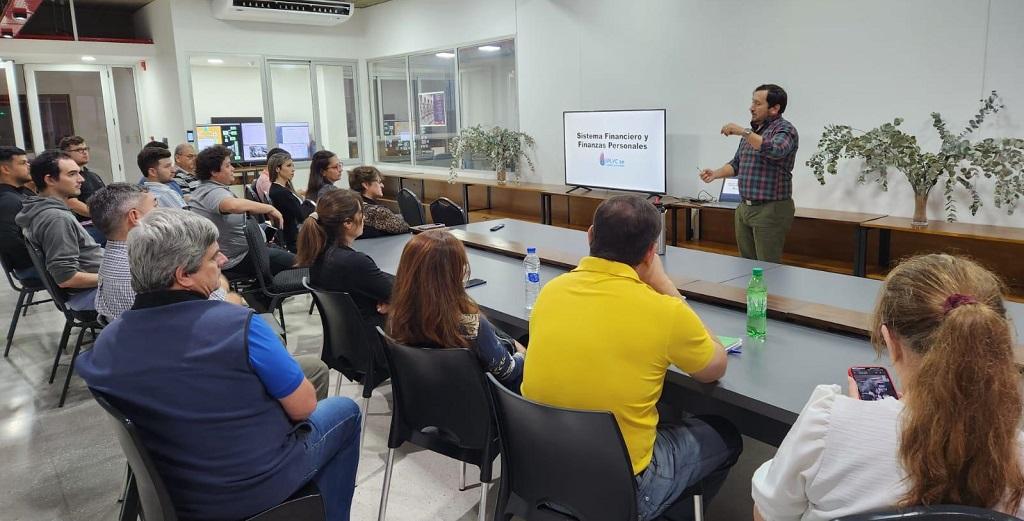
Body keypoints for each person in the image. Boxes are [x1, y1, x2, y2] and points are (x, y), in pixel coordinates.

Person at [76, 208, 360, 521]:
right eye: (213, 258)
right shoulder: (239, 325)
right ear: (183, 275)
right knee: (346, 412)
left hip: (173, 492)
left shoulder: (107, 343)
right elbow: (304, 407)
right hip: (250, 488)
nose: (223, 261)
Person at [751, 254, 1024, 521]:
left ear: (890, 341)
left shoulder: (828, 425)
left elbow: (768, 513)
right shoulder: (1017, 452)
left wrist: (860, 417)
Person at [521, 195, 739, 521]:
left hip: (543, 466)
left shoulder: (551, 291)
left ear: (590, 235)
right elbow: (714, 367)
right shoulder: (664, 312)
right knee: (726, 435)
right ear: (651, 252)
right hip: (623, 487)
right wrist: (665, 285)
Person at [388, 230, 526, 390]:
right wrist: (523, 353)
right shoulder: (472, 327)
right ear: (453, 274)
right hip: (486, 407)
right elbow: (509, 372)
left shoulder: (398, 319)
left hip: (427, 404)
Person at [699, 84, 798, 263]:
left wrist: (742, 132)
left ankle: (770, 292)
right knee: (746, 265)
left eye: (757, 103)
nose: (751, 107)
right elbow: (737, 164)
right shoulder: (753, 134)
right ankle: (751, 292)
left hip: (770, 208)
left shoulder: (785, 130)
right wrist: (715, 173)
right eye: (752, 102)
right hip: (744, 207)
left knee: (767, 267)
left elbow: (775, 149)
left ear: (774, 108)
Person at [15, 151, 104, 311]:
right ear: (49, 179)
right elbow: (66, 278)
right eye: (72, 174)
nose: (81, 179)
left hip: (93, 286)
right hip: (89, 293)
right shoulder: (56, 218)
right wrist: (115, 277)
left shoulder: (42, 209)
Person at [295, 189, 392, 334]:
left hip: (348, 340)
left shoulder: (318, 254)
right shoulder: (354, 262)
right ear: (347, 223)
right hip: (374, 340)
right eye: (361, 213)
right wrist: (393, 303)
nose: (364, 218)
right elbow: (399, 295)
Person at [188, 145, 293, 277]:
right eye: (227, 166)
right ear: (214, 172)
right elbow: (231, 205)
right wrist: (269, 208)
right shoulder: (212, 192)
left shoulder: (210, 188)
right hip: (237, 258)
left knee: (288, 255)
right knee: (300, 263)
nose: (233, 169)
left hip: (247, 250)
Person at [59, 135, 107, 245]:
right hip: (86, 225)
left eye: (86, 149)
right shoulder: (68, 178)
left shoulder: (93, 175)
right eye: (79, 150)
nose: (84, 152)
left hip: (101, 222)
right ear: (66, 154)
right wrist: (101, 216)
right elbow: (72, 203)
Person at [0, 146, 36, 280]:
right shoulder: (8, 200)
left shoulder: (18, 194)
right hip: (32, 268)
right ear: (5, 169)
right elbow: (9, 240)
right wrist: (43, 259)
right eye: (23, 163)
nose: (28, 166)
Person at [349, 166, 409, 239]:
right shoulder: (377, 211)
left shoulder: (349, 204)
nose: (382, 185)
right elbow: (405, 227)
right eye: (379, 182)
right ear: (366, 185)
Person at [267, 153, 304, 253]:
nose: (293, 169)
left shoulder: (281, 188)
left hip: (295, 234)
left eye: (292, 165)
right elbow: (302, 216)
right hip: (295, 240)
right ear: (277, 169)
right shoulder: (280, 193)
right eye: (288, 166)